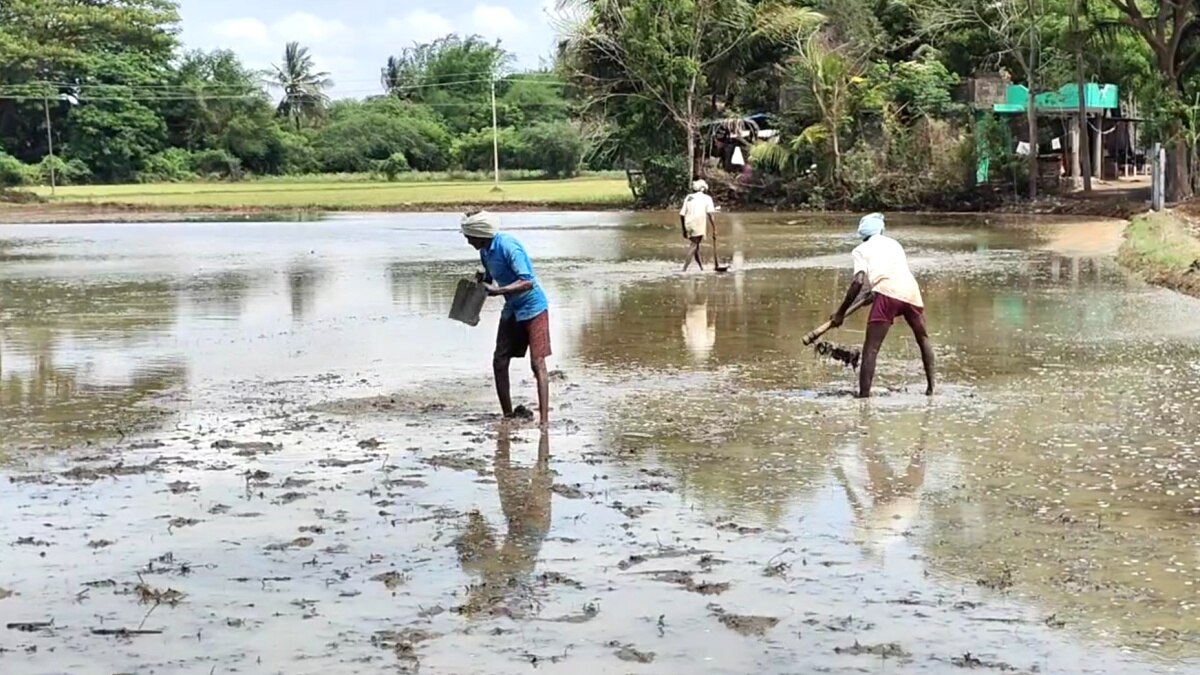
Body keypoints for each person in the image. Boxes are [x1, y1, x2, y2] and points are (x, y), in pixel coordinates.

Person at [829, 213, 935, 398]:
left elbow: (857, 282)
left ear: (862, 234)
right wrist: (874, 293)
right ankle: (932, 388)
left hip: (888, 293)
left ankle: (863, 397)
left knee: (871, 348)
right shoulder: (894, 244)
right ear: (881, 229)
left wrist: (840, 313)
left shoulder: (860, 250)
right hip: (911, 291)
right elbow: (893, 271)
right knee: (923, 339)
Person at [461, 209, 551, 427]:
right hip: (512, 307)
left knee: (537, 363)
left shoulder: (509, 246)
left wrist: (499, 291)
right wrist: (473, 305)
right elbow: (489, 280)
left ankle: (544, 422)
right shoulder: (485, 251)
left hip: (534, 306)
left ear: (481, 235)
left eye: (469, 237)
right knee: (499, 361)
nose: (468, 242)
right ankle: (508, 415)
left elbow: (527, 281)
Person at [679, 179, 716, 271]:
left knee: (696, 246)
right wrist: (715, 229)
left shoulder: (689, 197)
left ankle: (701, 268)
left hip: (688, 224)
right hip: (698, 223)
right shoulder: (707, 198)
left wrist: (684, 229)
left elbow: (682, 214)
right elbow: (711, 215)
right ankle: (684, 269)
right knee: (694, 245)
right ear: (703, 189)